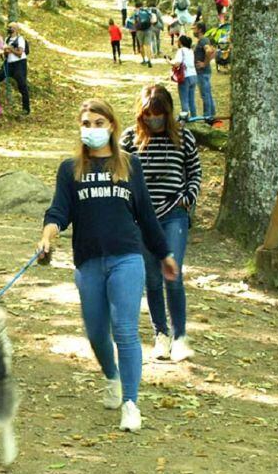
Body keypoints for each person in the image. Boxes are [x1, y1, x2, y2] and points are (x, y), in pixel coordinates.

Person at [38, 98, 178, 433]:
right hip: (88, 262)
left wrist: (164, 254)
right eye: (86, 124)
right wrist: (47, 235)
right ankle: (112, 377)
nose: (92, 130)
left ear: (112, 126)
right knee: (97, 332)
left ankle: (131, 403)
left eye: (99, 123)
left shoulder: (129, 165)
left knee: (125, 329)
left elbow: (145, 215)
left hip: (126, 258)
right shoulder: (69, 169)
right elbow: (59, 212)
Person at [122, 85, 201, 363]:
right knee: (152, 279)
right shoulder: (130, 139)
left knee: (173, 273)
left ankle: (180, 336)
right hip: (141, 219)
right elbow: (118, 173)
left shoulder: (184, 138)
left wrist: (188, 197)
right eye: (148, 114)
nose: (153, 119)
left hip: (173, 214)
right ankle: (161, 334)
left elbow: (194, 170)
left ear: (167, 113)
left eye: (158, 114)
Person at [4, 22, 31, 115]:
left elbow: (19, 54)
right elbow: (6, 53)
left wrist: (10, 49)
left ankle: (26, 108)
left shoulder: (20, 39)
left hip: (19, 64)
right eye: (8, 27)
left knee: (22, 85)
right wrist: (6, 51)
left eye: (10, 27)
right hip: (9, 64)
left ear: (15, 29)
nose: (8, 29)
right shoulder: (7, 39)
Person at [193, 23, 216, 119]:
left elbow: (210, 51)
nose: (193, 30)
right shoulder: (202, 41)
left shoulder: (203, 40)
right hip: (203, 72)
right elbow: (213, 51)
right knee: (207, 93)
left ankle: (207, 116)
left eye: (194, 28)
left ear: (200, 30)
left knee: (205, 95)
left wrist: (204, 63)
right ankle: (211, 114)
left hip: (202, 72)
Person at [173, 35, 198, 117]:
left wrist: (169, 62)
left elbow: (177, 63)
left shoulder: (181, 51)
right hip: (193, 75)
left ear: (181, 42)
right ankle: (194, 117)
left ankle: (185, 117)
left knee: (184, 99)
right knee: (192, 99)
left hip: (185, 76)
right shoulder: (191, 51)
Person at [134, 1, 155, 67]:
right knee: (148, 46)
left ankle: (143, 60)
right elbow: (152, 21)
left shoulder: (136, 12)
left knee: (141, 45)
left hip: (140, 31)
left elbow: (134, 22)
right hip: (148, 30)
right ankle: (149, 60)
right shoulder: (148, 11)